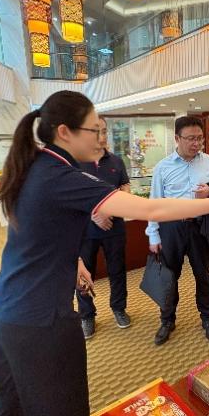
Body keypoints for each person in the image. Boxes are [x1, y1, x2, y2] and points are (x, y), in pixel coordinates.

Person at [0, 91, 209, 416]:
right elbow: (151, 208)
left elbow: (38, 231)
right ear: (64, 132)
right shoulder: (63, 176)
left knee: (6, 405)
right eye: (94, 130)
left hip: (3, 310)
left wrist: (74, 260)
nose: (102, 139)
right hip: (39, 320)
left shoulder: (37, 165)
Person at [146, 116, 209, 346]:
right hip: (171, 227)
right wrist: (153, 234)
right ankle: (167, 320)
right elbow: (154, 203)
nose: (196, 143)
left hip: (199, 227)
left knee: (203, 275)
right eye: (191, 138)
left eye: (199, 138)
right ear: (177, 138)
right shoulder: (163, 167)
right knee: (169, 277)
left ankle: (208, 319)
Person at [76, 116, 131, 340]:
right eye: (95, 131)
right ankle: (87, 315)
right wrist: (95, 215)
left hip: (114, 227)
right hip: (84, 231)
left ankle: (119, 308)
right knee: (84, 274)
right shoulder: (75, 162)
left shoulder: (116, 161)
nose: (101, 136)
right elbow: (71, 198)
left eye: (105, 131)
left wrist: (108, 212)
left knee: (117, 270)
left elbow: (125, 189)